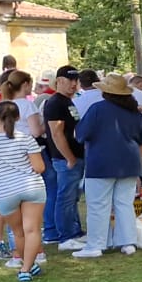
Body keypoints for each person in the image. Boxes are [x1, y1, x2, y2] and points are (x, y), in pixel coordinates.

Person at [73, 74, 142, 258]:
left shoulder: (97, 109)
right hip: (130, 162)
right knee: (124, 203)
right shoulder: (134, 112)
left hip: (101, 162)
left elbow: (80, 134)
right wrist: (137, 165)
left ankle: (96, 245)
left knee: (98, 205)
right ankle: (128, 242)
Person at [0, 101, 49, 279]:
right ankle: (27, 267)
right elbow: (39, 167)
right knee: (32, 229)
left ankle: (25, 265)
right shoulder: (26, 138)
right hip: (31, 186)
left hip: (5, 190)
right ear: (18, 118)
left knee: (18, 232)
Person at [40, 69, 83, 246]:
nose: (74, 84)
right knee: (65, 196)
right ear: (59, 81)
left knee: (72, 196)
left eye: (76, 80)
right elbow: (57, 133)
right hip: (64, 158)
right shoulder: (55, 103)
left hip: (74, 155)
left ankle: (74, 231)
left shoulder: (68, 101)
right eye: (70, 79)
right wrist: (69, 158)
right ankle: (66, 235)